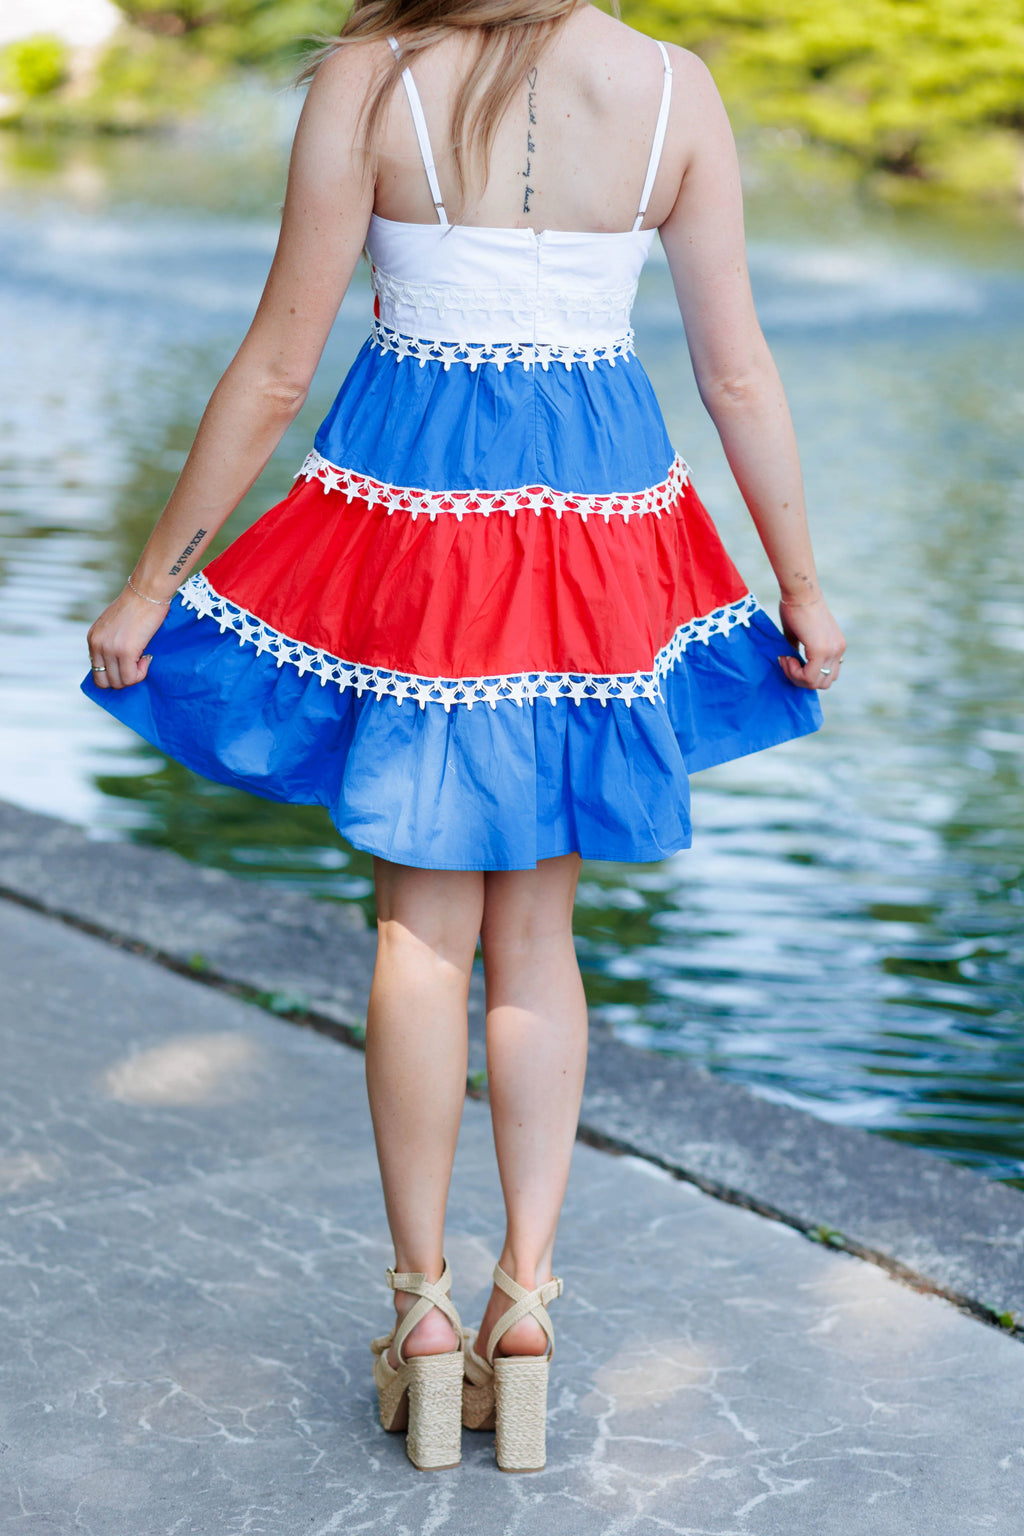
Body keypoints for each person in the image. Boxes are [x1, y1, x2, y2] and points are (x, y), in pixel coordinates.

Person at [82, 0, 845, 1475]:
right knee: (538, 935)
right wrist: (800, 588)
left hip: (422, 518)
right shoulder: (678, 90)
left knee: (419, 933)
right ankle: (528, 1307)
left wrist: (153, 577)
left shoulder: (374, 76)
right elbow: (738, 370)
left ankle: (425, 1313)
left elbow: (278, 366)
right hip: (597, 519)